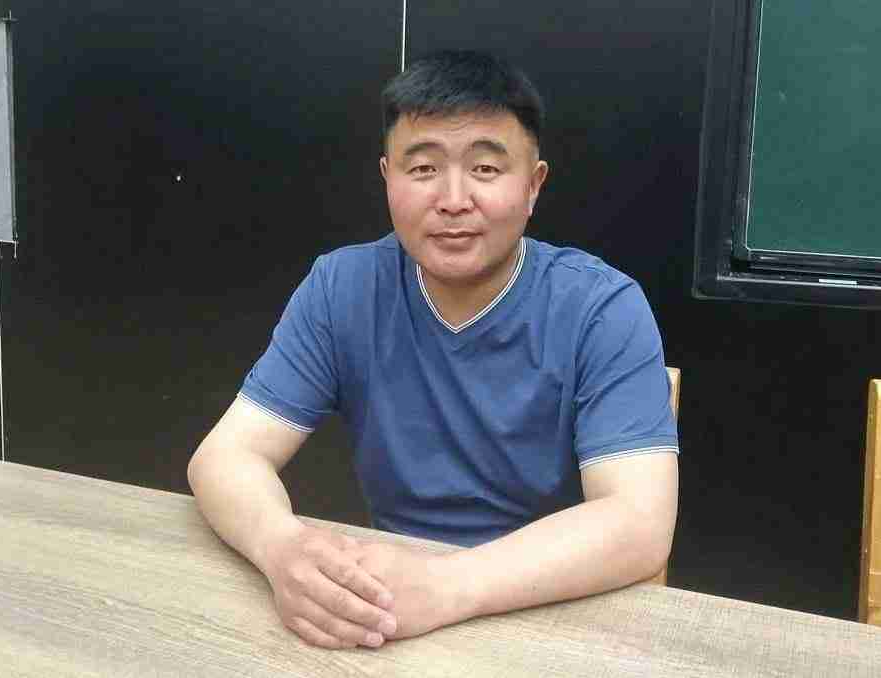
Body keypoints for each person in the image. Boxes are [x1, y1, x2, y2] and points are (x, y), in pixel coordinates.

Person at [188, 50, 679, 650]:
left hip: (552, 607)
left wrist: (448, 587)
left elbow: (638, 524)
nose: (452, 199)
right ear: (387, 178)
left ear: (533, 185)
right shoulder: (343, 288)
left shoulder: (602, 308)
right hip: (392, 607)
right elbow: (224, 457)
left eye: (485, 169)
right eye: (422, 168)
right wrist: (282, 547)